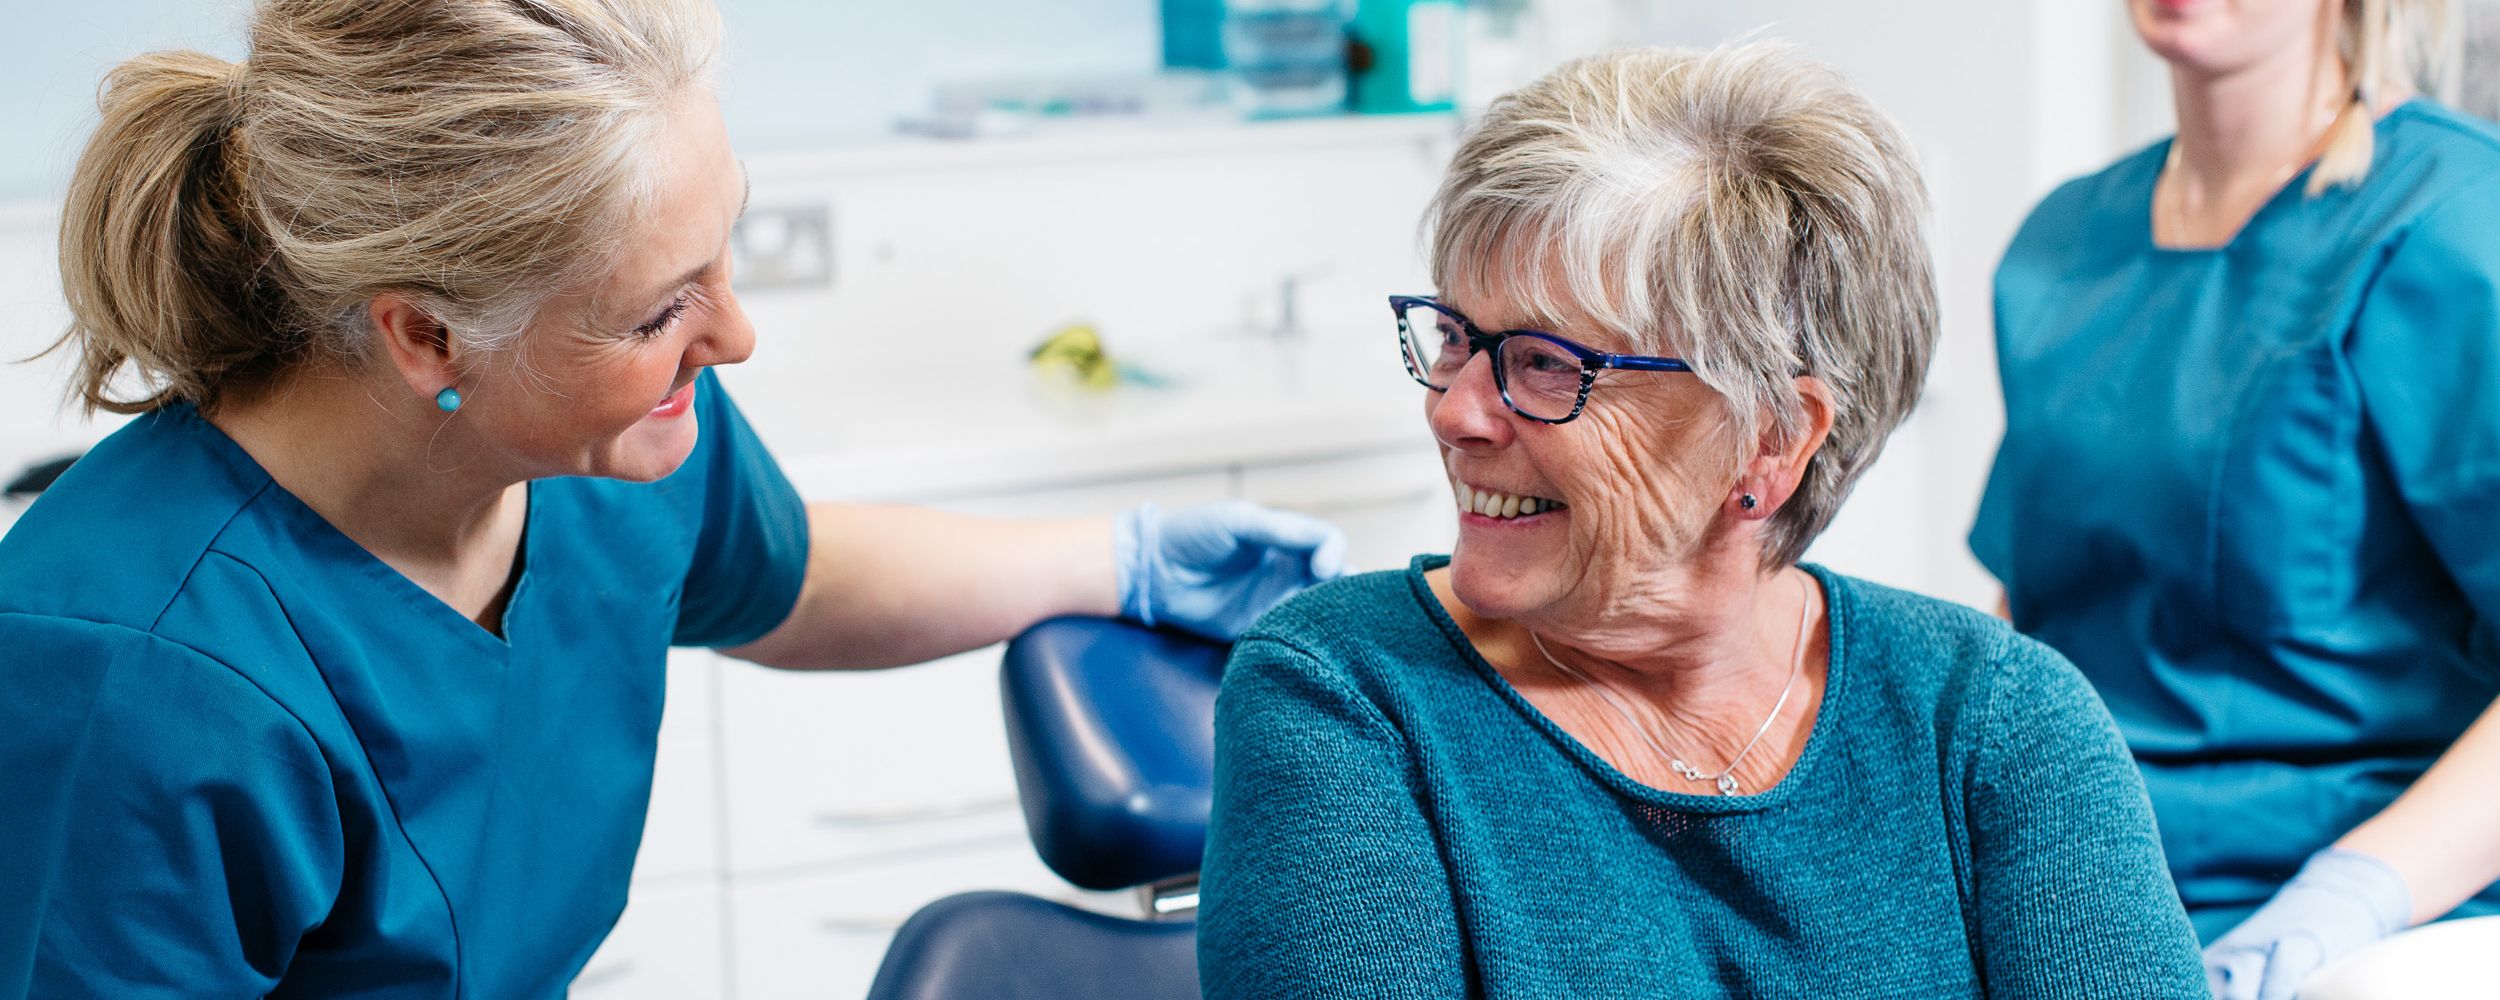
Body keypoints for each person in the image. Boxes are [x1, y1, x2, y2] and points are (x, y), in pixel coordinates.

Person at [0, 1, 1341, 995]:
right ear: (424, 338)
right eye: (659, 308)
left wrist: (1116, 560)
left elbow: (792, 573)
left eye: (726, 255)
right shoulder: (134, 692)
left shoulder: (599, 446)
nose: (737, 334)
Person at [1195, 42, 2206, 999]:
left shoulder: (1995, 721)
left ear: (1772, 435)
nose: (1455, 408)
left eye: (1547, 362)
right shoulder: (1343, 696)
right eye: (1456, 336)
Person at [1971, 1, 2500, 995]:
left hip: (2350, 911)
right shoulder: (2064, 240)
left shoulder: (2455, 220)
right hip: (2068, 878)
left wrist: (2348, 898)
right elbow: (2029, 612)